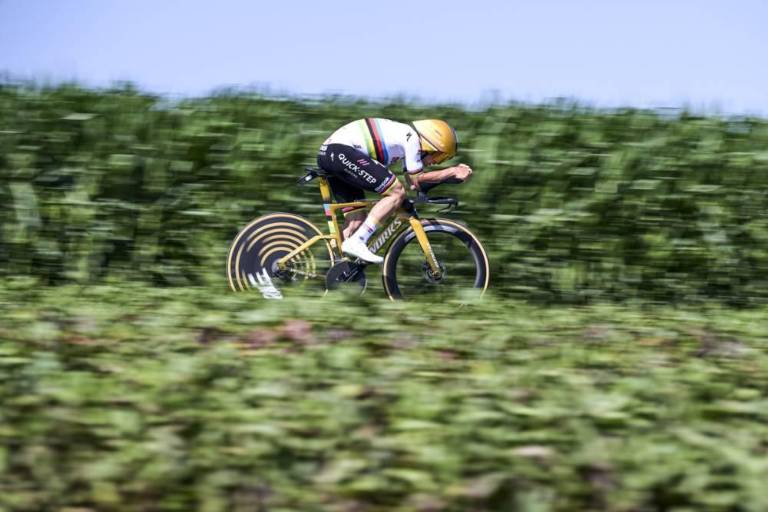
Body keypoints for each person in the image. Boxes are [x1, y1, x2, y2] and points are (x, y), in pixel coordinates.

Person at [316, 118, 473, 263]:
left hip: (333, 153)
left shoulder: (406, 141)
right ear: (431, 143)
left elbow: (414, 183)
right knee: (396, 192)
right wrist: (452, 171)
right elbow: (417, 179)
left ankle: (326, 265)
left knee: (356, 221)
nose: (435, 162)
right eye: (439, 156)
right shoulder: (411, 138)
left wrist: (448, 177)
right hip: (340, 151)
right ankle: (358, 241)